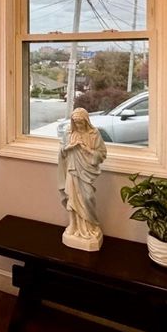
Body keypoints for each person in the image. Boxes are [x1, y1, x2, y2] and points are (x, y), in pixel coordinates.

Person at [57, 107, 107, 251]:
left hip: (86, 172)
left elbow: (102, 154)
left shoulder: (94, 134)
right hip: (72, 170)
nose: (78, 126)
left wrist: (86, 149)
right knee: (71, 197)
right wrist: (70, 146)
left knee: (88, 197)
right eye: (76, 123)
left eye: (81, 123)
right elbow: (62, 152)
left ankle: (90, 226)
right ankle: (73, 224)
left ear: (86, 121)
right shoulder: (69, 133)